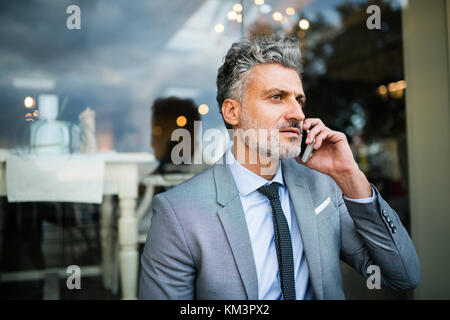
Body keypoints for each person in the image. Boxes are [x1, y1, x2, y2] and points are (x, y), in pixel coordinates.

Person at [138, 35, 420, 300]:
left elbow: (404, 276)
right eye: (276, 97)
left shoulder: (323, 187)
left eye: (299, 100)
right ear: (232, 112)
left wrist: (349, 175)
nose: (297, 114)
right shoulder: (178, 213)